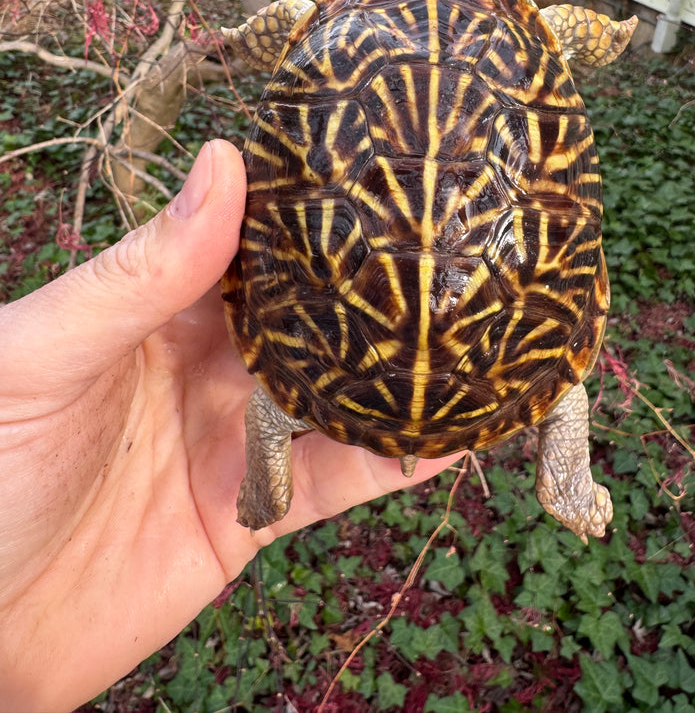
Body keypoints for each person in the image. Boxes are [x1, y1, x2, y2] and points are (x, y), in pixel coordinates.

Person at [0, 140, 461, 713]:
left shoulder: (327, 54)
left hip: (328, 346)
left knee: (275, 401)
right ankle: (550, 430)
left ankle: (270, 478)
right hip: (479, 371)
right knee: (276, 402)